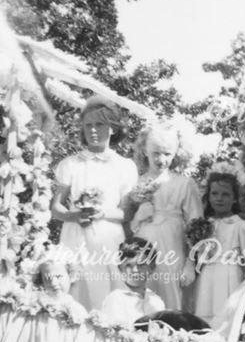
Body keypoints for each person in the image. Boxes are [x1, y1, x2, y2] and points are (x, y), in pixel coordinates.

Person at [51, 97, 138, 310]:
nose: (93, 130)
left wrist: (101, 213)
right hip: (75, 236)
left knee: (106, 296)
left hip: (108, 238)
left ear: (113, 129)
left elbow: (125, 213)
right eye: (88, 125)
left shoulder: (124, 166)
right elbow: (56, 209)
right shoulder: (70, 164)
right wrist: (74, 216)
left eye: (99, 124)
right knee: (75, 292)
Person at [128, 121, 203, 310]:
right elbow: (126, 225)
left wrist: (191, 263)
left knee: (171, 299)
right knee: (142, 298)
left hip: (173, 247)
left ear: (175, 153)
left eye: (167, 154)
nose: (161, 159)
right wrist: (138, 217)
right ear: (145, 150)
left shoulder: (184, 184)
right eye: (156, 153)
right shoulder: (135, 182)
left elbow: (197, 226)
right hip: (142, 246)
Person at [186, 171, 245, 330]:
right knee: (204, 313)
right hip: (207, 275)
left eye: (225, 194)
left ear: (235, 198)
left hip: (230, 274)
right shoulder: (204, 224)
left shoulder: (240, 225)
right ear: (208, 197)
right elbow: (197, 257)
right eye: (214, 193)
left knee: (226, 316)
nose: (219, 198)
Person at [101, 238, 166, 326]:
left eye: (141, 265)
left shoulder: (156, 301)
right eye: (128, 265)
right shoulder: (116, 299)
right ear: (120, 268)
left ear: (152, 268)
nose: (135, 270)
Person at [32, 252, 87, 320]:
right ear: (42, 281)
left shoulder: (78, 311)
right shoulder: (35, 309)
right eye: (47, 278)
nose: (53, 283)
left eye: (59, 276)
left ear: (70, 276)